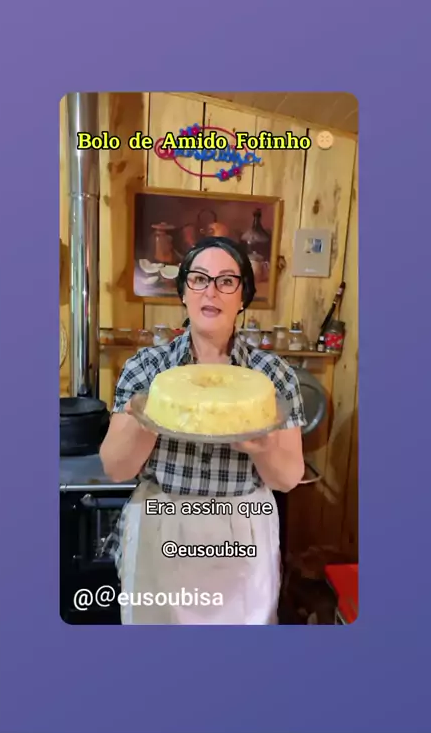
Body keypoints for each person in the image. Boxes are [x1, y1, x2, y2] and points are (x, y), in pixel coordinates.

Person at [100, 236, 306, 625]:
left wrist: (262, 448)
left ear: (243, 297)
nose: (211, 291)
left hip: (243, 531)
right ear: (183, 293)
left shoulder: (274, 376)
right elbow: (115, 468)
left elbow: (288, 478)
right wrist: (151, 417)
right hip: (162, 525)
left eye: (226, 281)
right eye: (199, 279)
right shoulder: (147, 369)